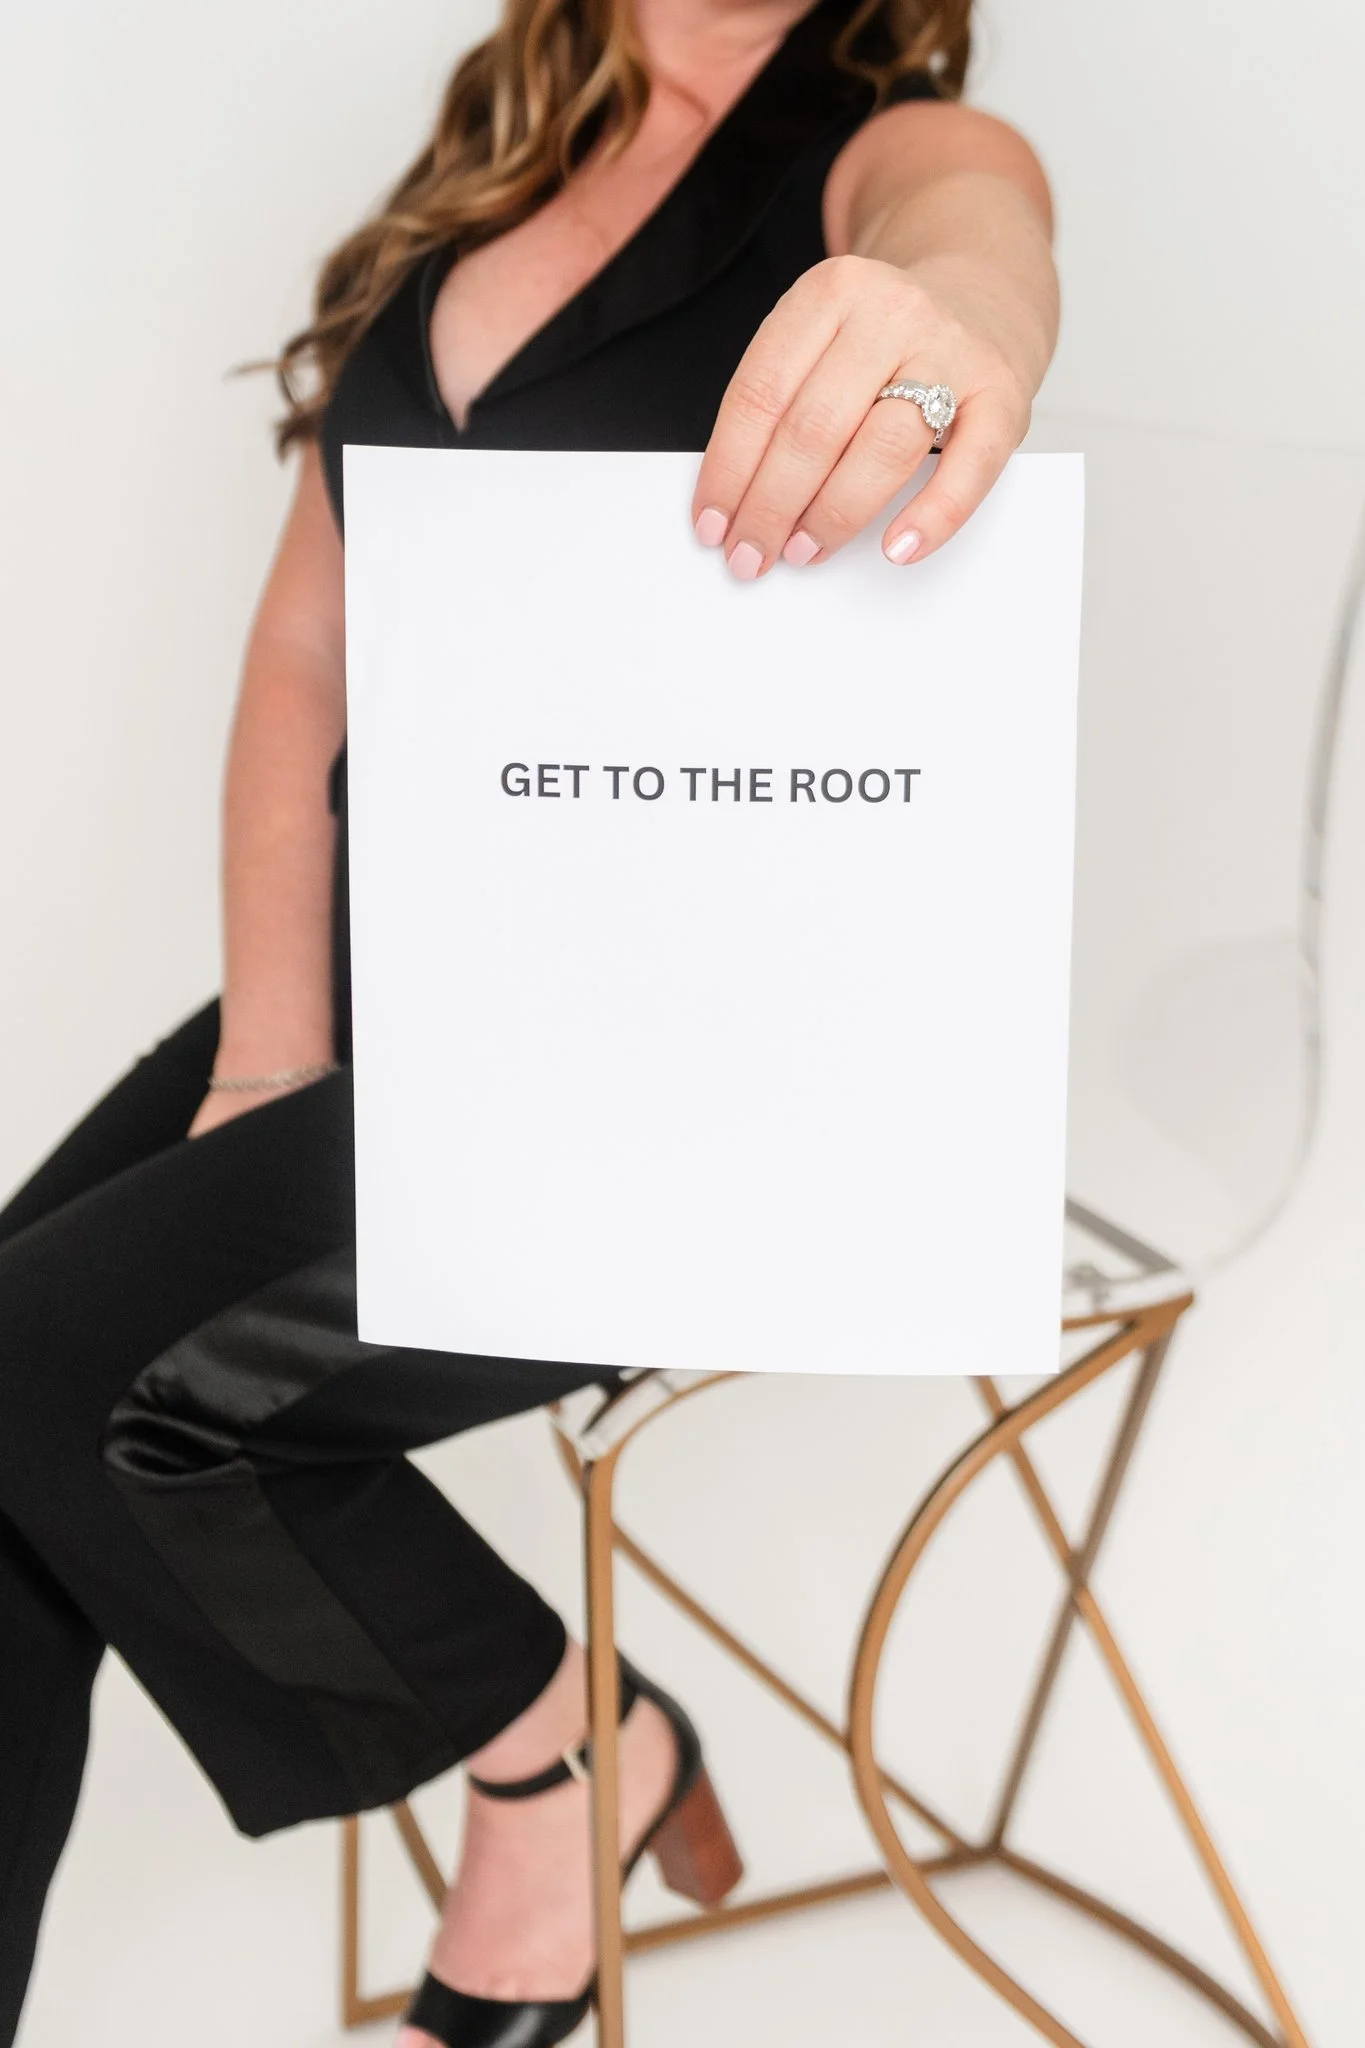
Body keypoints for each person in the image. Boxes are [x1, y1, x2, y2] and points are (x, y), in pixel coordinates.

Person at [0, 0, 1056, 2038]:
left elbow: (970, 249)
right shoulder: (473, 196)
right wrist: (274, 1046)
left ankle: (549, 1759)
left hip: (700, 1060)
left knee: (35, 1360)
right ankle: (576, 1746)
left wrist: (956, 336)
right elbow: (306, 653)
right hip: (405, 995)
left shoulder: (881, 149)